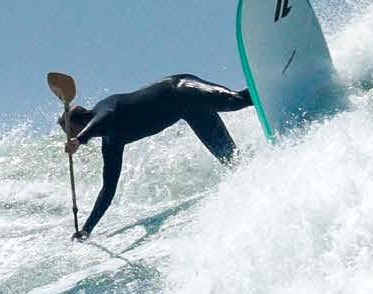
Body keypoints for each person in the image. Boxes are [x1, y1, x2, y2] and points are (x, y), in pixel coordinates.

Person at [59, 74, 255, 240]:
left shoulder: (104, 107)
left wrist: (80, 139)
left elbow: (107, 115)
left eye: (68, 131)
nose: (68, 136)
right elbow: (108, 190)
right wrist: (86, 229)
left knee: (238, 100)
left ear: (78, 124)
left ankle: (267, 82)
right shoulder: (111, 143)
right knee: (233, 161)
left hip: (182, 89)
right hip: (192, 114)